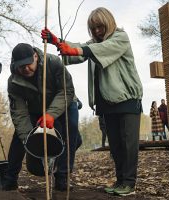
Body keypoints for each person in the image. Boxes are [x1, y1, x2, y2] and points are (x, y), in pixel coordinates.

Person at [41, 7, 143, 196]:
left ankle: (129, 183)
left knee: (128, 144)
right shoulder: (93, 43)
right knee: (115, 146)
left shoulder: (120, 38)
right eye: (93, 28)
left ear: (108, 22)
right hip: (106, 102)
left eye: (99, 26)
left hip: (127, 99)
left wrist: (76, 49)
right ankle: (120, 181)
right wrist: (57, 42)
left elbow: (98, 50)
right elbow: (79, 50)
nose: (96, 31)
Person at [3, 43, 82, 191]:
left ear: (35, 56)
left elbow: (67, 91)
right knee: (18, 138)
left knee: (70, 129)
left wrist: (51, 114)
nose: (26, 69)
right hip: (36, 110)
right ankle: (10, 179)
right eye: (21, 67)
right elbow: (19, 113)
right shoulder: (13, 81)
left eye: (28, 64)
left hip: (65, 101)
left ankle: (62, 177)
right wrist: (30, 139)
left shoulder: (53, 63)